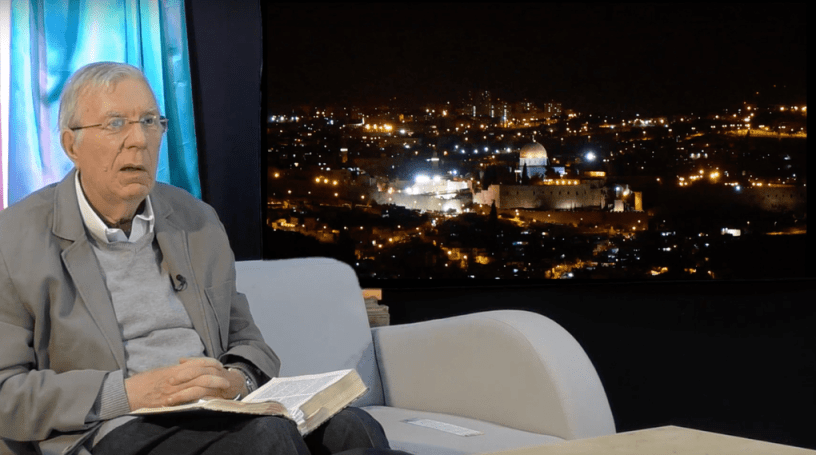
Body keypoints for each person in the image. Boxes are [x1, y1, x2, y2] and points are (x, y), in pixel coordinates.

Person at [0, 62, 405, 455]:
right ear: (71, 144)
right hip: (116, 424)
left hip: (218, 411)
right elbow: (6, 392)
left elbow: (247, 341)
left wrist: (237, 380)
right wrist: (128, 393)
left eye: (150, 122)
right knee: (268, 440)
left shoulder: (196, 220)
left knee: (357, 427)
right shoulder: (15, 238)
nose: (139, 140)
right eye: (116, 123)